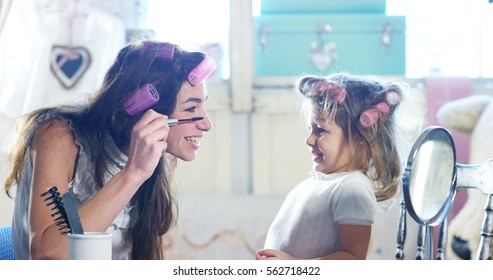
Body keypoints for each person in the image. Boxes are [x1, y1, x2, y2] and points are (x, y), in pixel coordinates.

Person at [3, 40, 215, 260]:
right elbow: (49, 254)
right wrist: (134, 173)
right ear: (148, 114)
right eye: (191, 108)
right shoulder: (58, 136)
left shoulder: (163, 158)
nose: (207, 124)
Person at [256, 73, 405, 260]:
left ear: (361, 139)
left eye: (320, 130)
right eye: (311, 129)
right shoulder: (318, 184)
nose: (309, 140)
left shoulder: (352, 187)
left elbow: (352, 260)